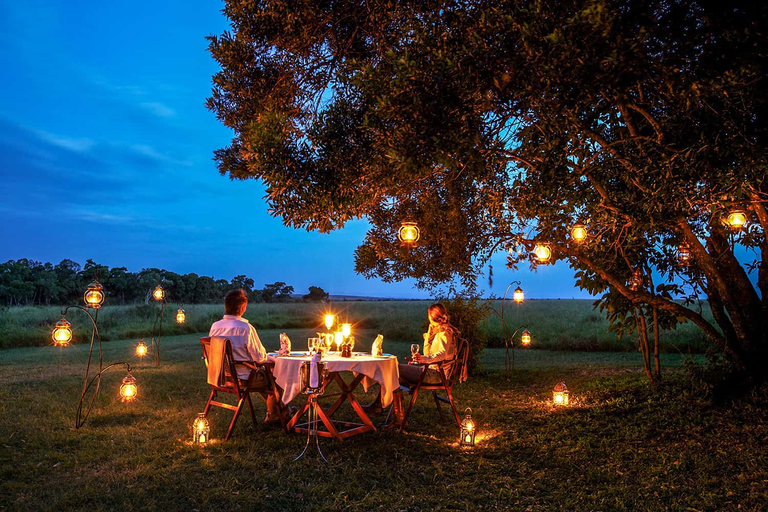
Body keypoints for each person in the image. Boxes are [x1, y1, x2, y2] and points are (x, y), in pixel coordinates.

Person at [364, 303, 459, 423]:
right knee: (394, 376)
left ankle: (379, 406)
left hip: (435, 374)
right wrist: (429, 336)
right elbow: (427, 352)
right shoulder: (439, 332)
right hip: (430, 371)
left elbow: (442, 355)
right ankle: (388, 411)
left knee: (393, 368)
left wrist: (423, 359)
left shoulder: (445, 333)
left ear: (432, 316)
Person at [209, 289, 286, 423]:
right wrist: (273, 357)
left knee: (267, 380)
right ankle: (279, 414)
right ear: (242, 308)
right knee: (276, 378)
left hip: (220, 377)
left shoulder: (215, 327)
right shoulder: (245, 328)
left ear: (226, 306)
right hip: (243, 379)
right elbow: (260, 358)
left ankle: (278, 413)